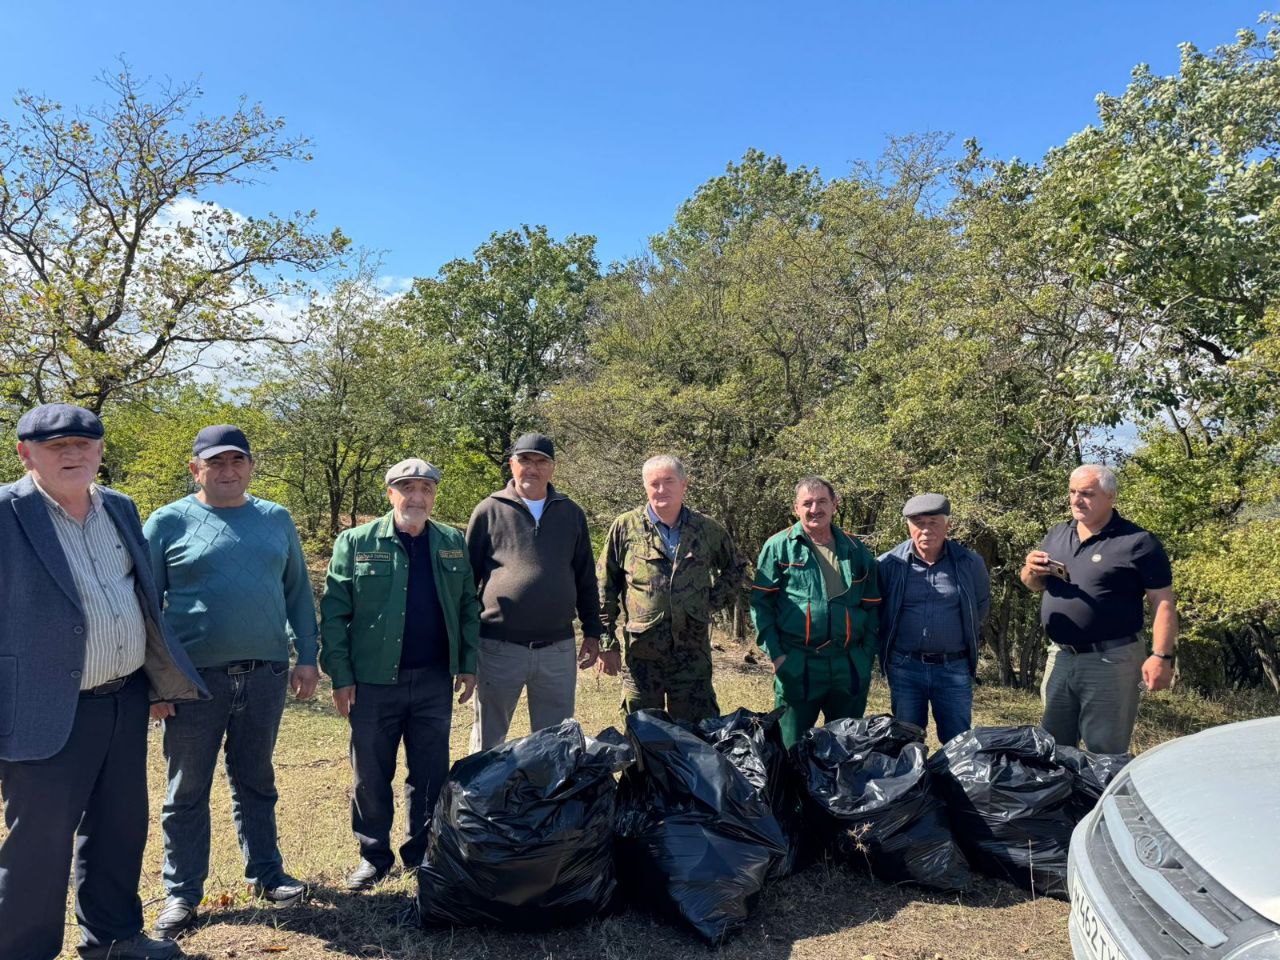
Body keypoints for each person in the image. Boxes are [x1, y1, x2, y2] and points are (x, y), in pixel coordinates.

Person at [0, 403, 206, 960]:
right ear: (25, 453)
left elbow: (139, 598)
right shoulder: (4, 512)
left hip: (124, 696)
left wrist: (158, 680)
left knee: (119, 827)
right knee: (38, 846)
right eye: (56, 445)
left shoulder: (119, 506)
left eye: (83, 444)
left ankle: (114, 939)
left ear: (100, 451)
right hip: (40, 708)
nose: (72, 454)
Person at [143, 425, 319, 938]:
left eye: (236, 461)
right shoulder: (168, 522)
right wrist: (157, 681)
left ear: (249, 466)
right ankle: (181, 894)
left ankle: (267, 874)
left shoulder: (275, 518)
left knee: (256, 780)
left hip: (265, 675)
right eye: (215, 463)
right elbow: (147, 608)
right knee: (186, 790)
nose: (228, 470)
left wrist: (307, 656)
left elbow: (298, 594)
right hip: (193, 681)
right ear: (196, 468)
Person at [319, 458, 478, 891]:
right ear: (390, 494)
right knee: (370, 774)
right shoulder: (355, 542)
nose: (417, 496)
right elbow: (334, 612)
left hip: (432, 680)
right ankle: (373, 855)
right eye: (406, 487)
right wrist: (340, 674)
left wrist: (468, 663)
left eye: (425, 488)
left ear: (434, 495)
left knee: (429, 771)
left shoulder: (450, 542)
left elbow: (468, 606)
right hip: (372, 681)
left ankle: (422, 851)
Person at [1021, 464, 1177, 754]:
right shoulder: (1057, 534)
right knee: (1052, 747)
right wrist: (1030, 570)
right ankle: (1061, 800)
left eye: (1087, 494)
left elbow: (1163, 601)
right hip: (1061, 655)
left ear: (1111, 496)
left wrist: (1161, 656)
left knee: (1104, 751)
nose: (1076, 500)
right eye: (1072, 492)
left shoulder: (1138, 542)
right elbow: (1033, 584)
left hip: (1111, 659)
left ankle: (1099, 800)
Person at [465, 433, 604, 751]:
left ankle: (547, 801)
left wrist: (593, 632)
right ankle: (481, 801)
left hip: (557, 648)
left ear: (552, 468)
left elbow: (585, 579)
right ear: (512, 464)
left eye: (541, 461)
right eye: (525, 460)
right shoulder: (489, 510)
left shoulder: (570, 513)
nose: (532, 468)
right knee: (489, 738)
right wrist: (466, 640)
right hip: (498, 647)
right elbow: (465, 583)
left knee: (554, 741)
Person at [596, 455, 746, 720]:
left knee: (697, 734)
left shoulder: (706, 529)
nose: (661, 490)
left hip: (692, 653)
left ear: (683, 485)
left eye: (669, 482)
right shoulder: (625, 527)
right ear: (645, 487)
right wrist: (607, 641)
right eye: (654, 483)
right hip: (642, 654)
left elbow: (735, 567)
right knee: (643, 734)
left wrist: (710, 602)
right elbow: (605, 583)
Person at [750, 477, 881, 747]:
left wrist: (865, 656)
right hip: (799, 663)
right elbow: (761, 605)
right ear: (795, 508)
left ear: (835, 504)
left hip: (848, 665)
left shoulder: (856, 551)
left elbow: (873, 607)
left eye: (822, 501)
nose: (814, 509)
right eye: (807, 503)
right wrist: (777, 656)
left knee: (845, 749)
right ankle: (793, 791)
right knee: (790, 749)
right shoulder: (778, 546)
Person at [877, 494, 990, 744]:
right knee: (906, 743)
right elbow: (879, 611)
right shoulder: (888, 564)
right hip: (905, 667)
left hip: (953, 668)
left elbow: (980, 607)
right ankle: (915, 784)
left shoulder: (969, 562)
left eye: (933, 522)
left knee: (958, 744)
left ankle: (952, 785)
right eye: (918, 523)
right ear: (908, 526)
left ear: (947, 525)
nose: (926, 530)